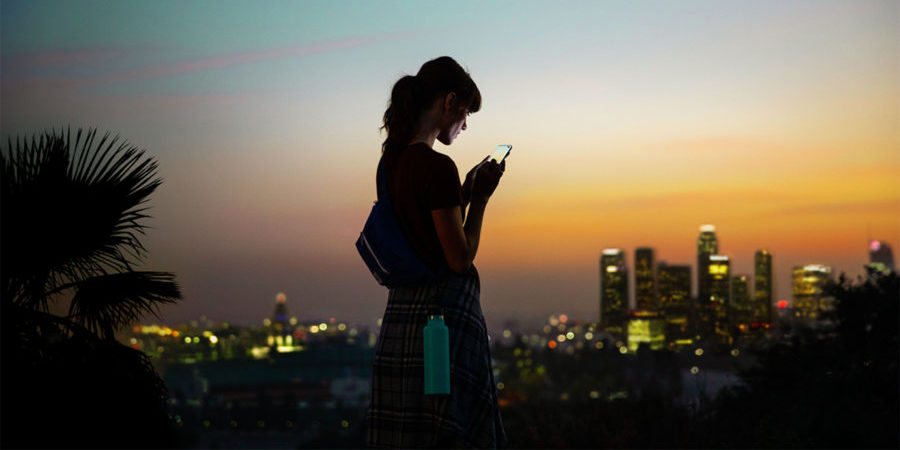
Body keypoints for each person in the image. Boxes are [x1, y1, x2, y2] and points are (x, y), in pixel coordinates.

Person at [366, 56, 507, 448]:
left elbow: (420, 228)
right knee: (449, 429)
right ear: (449, 103)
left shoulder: (390, 163)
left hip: (401, 317)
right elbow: (458, 258)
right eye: (465, 114)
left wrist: (459, 193)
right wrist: (478, 199)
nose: (465, 125)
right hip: (440, 322)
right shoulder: (438, 166)